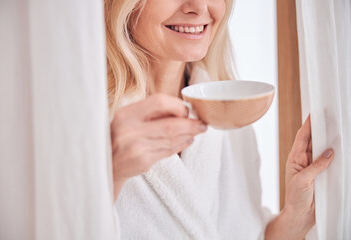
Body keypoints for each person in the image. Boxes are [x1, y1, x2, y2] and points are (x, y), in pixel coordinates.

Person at [105, 0, 334, 239]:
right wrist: (110, 174)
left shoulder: (229, 118)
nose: (200, 7)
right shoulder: (85, 125)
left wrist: (295, 219)